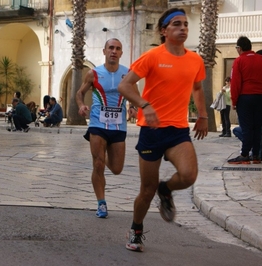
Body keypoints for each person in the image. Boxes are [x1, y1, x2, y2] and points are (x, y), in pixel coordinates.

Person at [117, 8, 208, 252]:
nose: (183, 28)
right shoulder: (152, 57)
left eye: (186, 24)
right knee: (146, 190)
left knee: (189, 176)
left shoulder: (195, 60)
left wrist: (202, 115)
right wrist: (143, 105)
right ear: (163, 30)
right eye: (176, 24)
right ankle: (136, 229)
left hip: (177, 130)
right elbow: (125, 85)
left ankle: (166, 189)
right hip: (152, 131)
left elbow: (198, 89)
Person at [76, 38, 137, 219]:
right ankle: (101, 202)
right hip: (98, 123)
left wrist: (133, 107)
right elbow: (80, 93)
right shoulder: (94, 74)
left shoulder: (128, 74)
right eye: (111, 48)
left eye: (118, 48)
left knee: (117, 168)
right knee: (98, 164)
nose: (114, 51)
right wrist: (81, 105)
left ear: (121, 53)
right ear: (104, 51)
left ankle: (103, 159)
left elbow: (136, 96)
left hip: (118, 126)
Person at [228, 36, 262, 164]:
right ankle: (256, 155)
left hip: (245, 97)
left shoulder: (239, 61)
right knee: (257, 127)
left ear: (239, 48)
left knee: (246, 127)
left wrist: (234, 101)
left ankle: (245, 154)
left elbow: (235, 83)